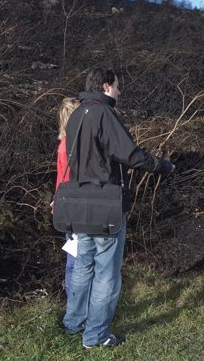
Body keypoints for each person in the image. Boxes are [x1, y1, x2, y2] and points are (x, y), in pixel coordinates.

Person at [62, 67, 175, 349]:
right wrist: (162, 165)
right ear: (105, 86)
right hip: (105, 205)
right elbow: (131, 154)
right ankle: (96, 335)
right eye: (117, 86)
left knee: (82, 267)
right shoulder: (104, 113)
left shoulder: (76, 115)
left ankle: (74, 323)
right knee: (106, 274)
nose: (119, 91)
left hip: (79, 205)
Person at [52, 97, 81, 294]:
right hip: (74, 207)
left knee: (75, 257)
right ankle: (75, 303)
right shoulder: (71, 147)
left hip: (66, 206)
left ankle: (75, 304)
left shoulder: (64, 144)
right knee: (76, 260)